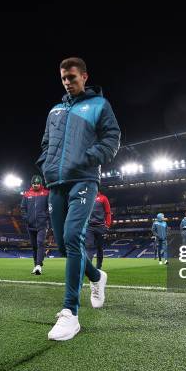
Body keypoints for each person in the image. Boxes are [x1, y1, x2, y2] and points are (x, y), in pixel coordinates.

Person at [36, 57, 121, 341]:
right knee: (62, 244)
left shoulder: (99, 105)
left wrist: (89, 158)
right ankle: (97, 277)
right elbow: (47, 143)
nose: (67, 82)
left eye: (72, 77)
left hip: (84, 179)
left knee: (74, 236)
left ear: (84, 76)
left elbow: (112, 137)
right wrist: (45, 164)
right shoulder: (55, 110)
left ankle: (70, 313)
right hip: (56, 183)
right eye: (63, 78)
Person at [20, 175, 50, 275]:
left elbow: (50, 207)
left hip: (42, 224)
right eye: (34, 183)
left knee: (40, 243)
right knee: (34, 246)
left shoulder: (46, 193)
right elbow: (23, 208)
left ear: (41, 183)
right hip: (30, 224)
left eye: (38, 183)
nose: (36, 185)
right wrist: (26, 218)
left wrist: (45, 217)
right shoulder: (27, 194)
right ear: (31, 183)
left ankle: (38, 265)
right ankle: (35, 266)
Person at [86, 190, 112, 269]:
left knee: (99, 247)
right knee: (88, 246)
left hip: (100, 227)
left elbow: (108, 212)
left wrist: (107, 225)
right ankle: (89, 267)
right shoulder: (88, 198)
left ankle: (98, 267)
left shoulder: (103, 198)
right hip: (89, 227)